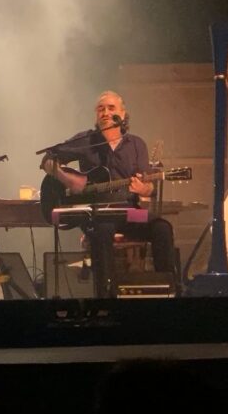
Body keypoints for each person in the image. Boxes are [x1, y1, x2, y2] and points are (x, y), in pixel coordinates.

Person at [41, 91, 177, 297]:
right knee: (102, 230)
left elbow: (149, 186)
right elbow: (48, 159)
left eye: (111, 108)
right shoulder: (86, 140)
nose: (105, 112)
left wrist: (143, 189)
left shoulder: (136, 144)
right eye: (100, 109)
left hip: (129, 211)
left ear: (123, 114)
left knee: (162, 228)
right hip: (98, 212)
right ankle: (106, 295)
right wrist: (68, 179)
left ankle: (167, 291)